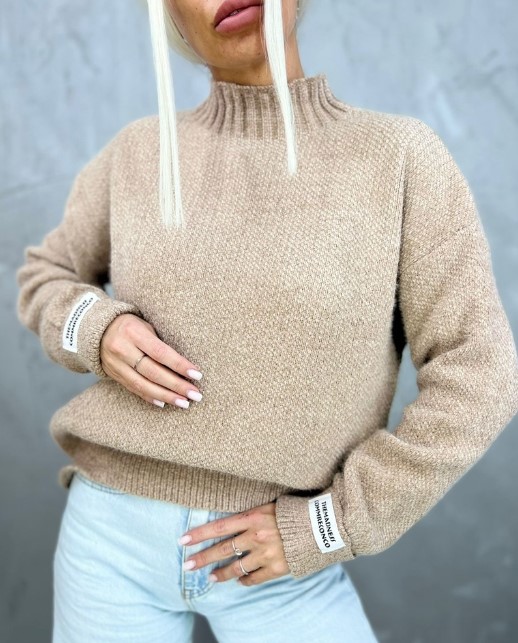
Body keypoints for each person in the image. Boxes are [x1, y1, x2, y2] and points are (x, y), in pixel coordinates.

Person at [15, 0, 518, 641]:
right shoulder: (137, 152)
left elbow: (481, 372)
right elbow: (45, 276)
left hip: (281, 563)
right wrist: (96, 327)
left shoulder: (398, 158)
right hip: (108, 540)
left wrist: (331, 524)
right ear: (172, 17)